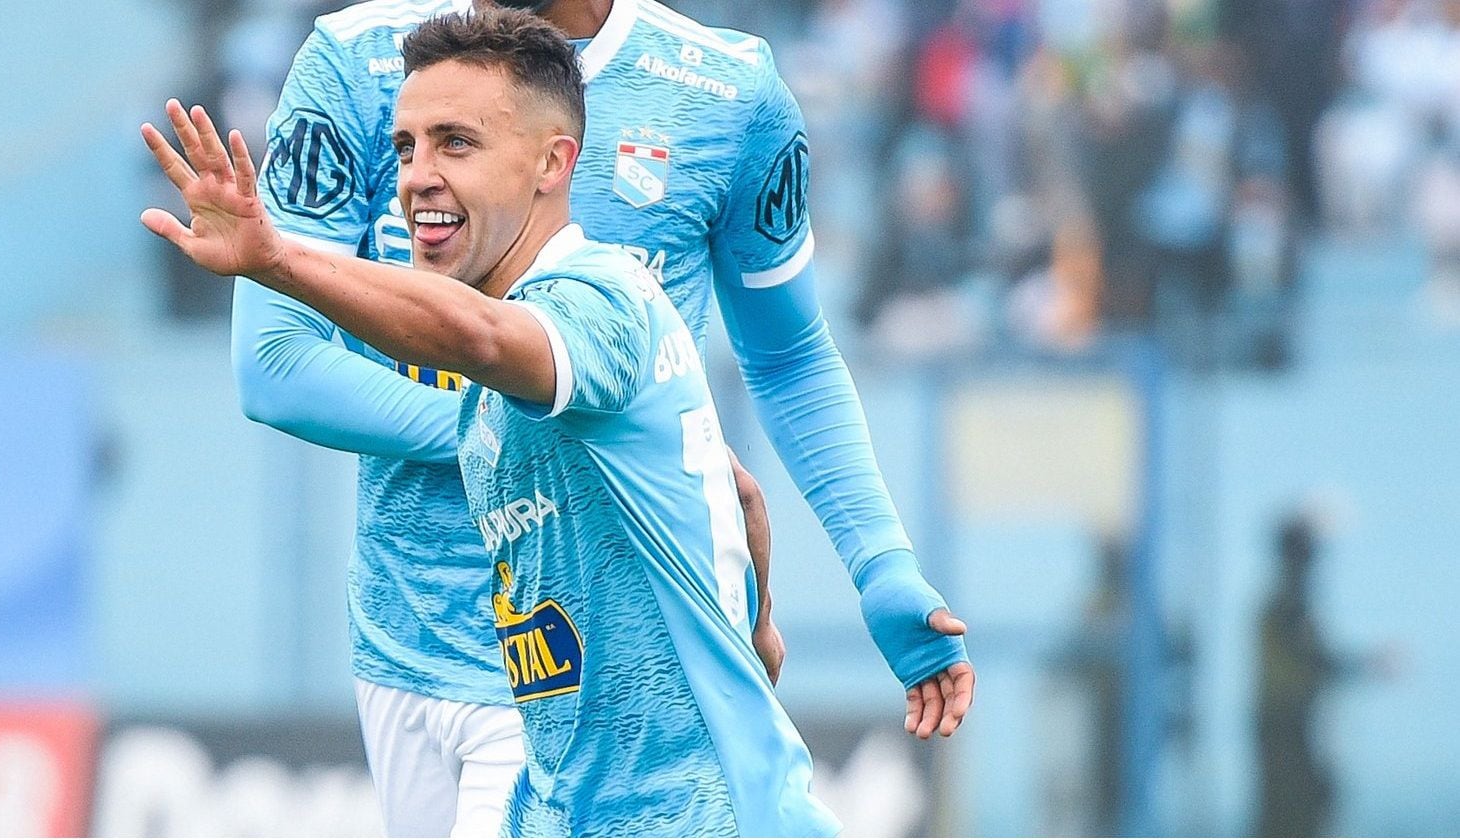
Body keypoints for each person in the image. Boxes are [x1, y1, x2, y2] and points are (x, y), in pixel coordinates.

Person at [232, 0, 973, 833]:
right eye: (411, 149)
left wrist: (879, 562)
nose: (420, 168)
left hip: (598, 679)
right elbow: (277, 366)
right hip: (406, 642)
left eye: (457, 146)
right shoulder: (363, 60)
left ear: (557, 161)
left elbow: (789, 356)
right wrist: (576, 441)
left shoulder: (721, 95)